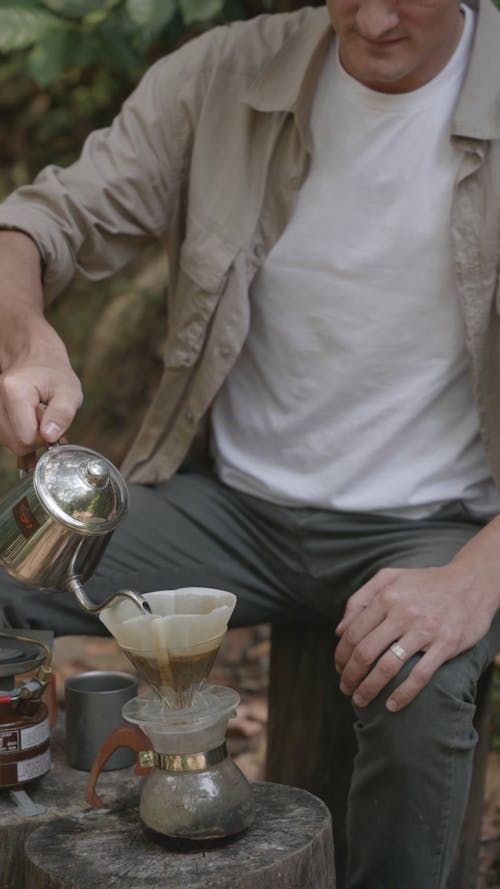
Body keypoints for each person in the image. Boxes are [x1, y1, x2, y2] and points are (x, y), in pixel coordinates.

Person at [0, 0, 498, 885]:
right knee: (6, 563)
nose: (374, 19)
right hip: (231, 512)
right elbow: (38, 223)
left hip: (440, 526)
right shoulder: (227, 74)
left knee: (418, 682)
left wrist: (475, 577)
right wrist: (27, 338)